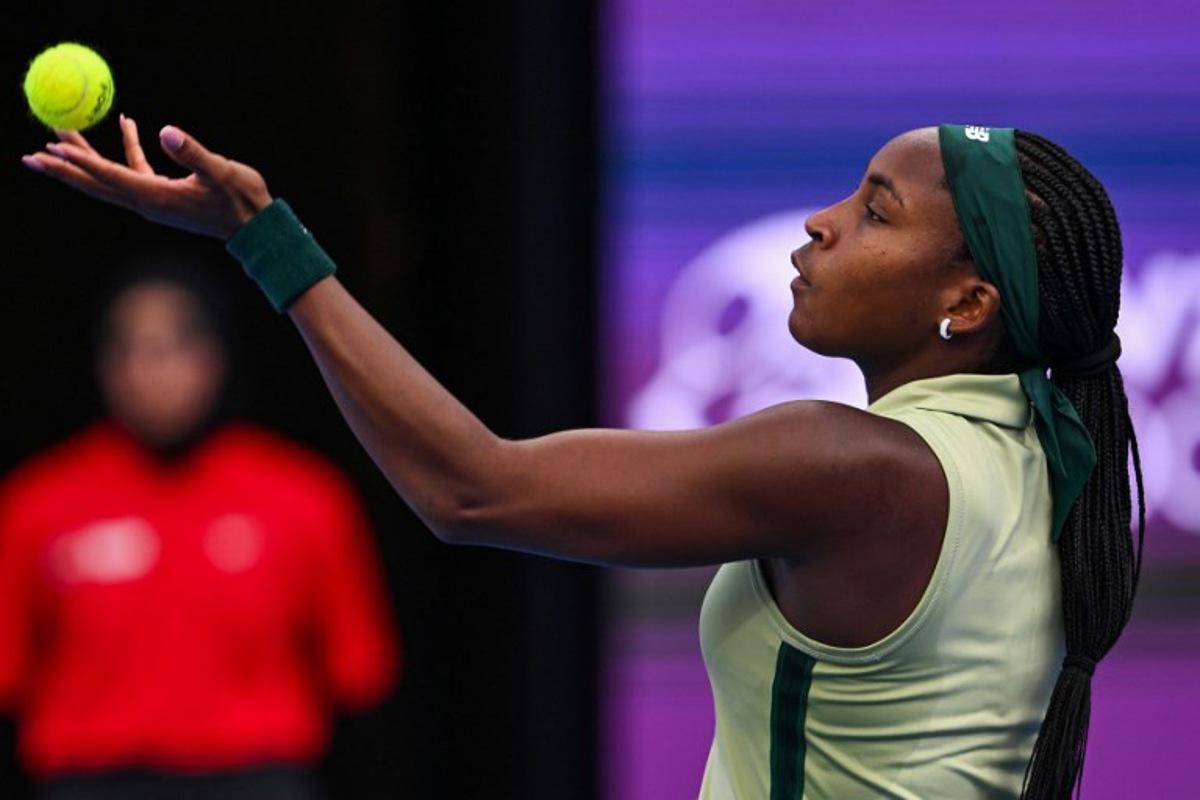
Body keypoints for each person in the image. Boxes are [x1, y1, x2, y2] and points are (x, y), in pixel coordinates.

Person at [21, 117, 1142, 799]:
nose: (819, 221)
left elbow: (473, 487)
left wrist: (267, 238)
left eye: (876, 212)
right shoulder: (1056, 469)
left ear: (967, 302)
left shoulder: (856, 467)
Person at [0, 260, 400, 799]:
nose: (153, 371)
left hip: (257, 780)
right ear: (105, 365)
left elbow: (359, 674)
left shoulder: (305, 497)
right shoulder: (37, 504)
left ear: (214, 357)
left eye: (175, 346)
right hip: (92, 782)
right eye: (132, 350)